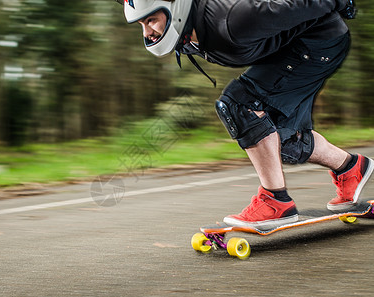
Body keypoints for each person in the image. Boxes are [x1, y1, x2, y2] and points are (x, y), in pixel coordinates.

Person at [116, 0, 374, 230]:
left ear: (176, 8)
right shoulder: (184, 32)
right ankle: (350, 167)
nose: (147, 33)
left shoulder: (234, 19)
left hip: (318, 45)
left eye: (151, 20)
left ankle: (276, 202)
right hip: (293, 48)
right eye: (141, 23)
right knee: (275, 137)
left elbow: (298, 5)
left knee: (239, 104)